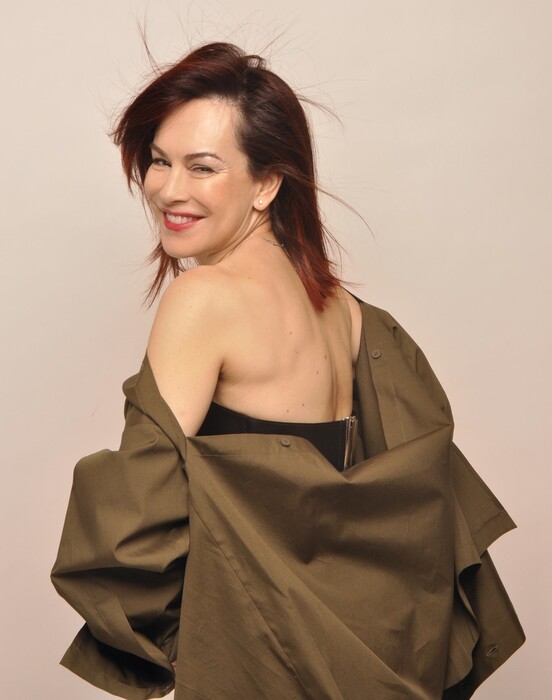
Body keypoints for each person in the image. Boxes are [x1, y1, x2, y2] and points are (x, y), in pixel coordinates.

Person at [51, 42, 524, 699]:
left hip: (263, 659)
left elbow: (136, 512)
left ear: (267, 184)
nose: (168, 188)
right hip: (367, 657)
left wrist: (166, 647)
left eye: (203, 167)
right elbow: (405, 508)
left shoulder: (204, 298)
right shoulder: (347, 312)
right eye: (160, 160)